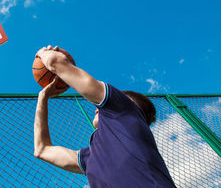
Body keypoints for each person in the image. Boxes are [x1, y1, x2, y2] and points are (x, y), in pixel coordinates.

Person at [33, 45, 176, 187]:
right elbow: (42, 150)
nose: (97, 109)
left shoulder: (124, 109)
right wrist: (43, 97)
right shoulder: (90, 158)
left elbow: (53, 61)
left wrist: (43, 53)